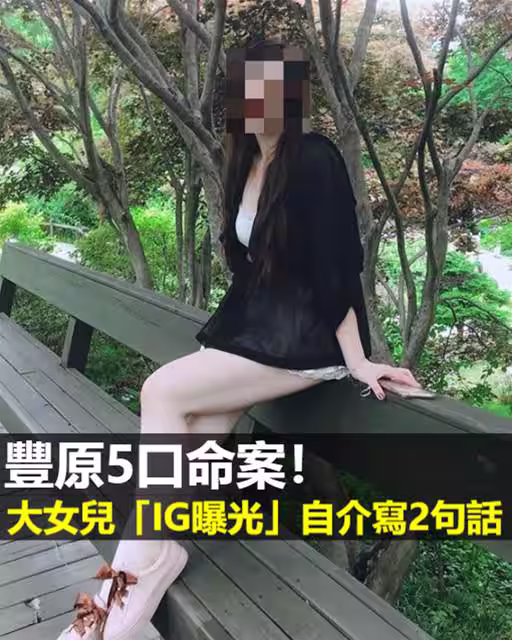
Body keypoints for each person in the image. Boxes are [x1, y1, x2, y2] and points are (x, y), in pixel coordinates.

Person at [58, 37, 420, 640]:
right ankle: (124, 595)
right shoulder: (245, 159)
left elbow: (338, 267)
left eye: (270, 89)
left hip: (306, 338)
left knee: (161, 392)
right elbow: (251, 268)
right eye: (245, 89)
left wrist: (358, 360)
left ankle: (116, 600)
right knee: (190, 440)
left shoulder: (315, 159)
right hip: (254, 330)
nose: (256, 102)